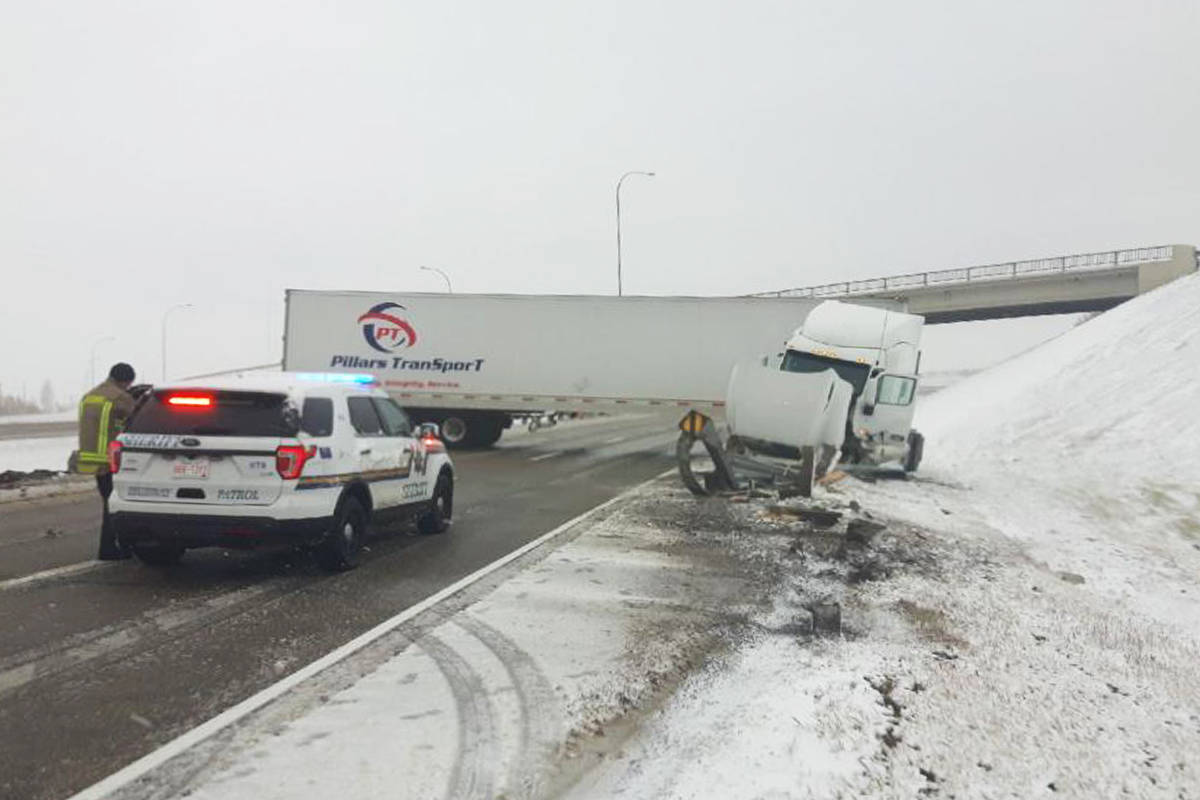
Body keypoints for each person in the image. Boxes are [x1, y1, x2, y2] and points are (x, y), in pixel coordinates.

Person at [76, 362, 138, 560]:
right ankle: (111, 549)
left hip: (92, 459)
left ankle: (109, 547)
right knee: (116, 506)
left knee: (108, 504)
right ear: (125, 381)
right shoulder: (120, 397)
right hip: (110, 460)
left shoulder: (90, 395)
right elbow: (138, 416)